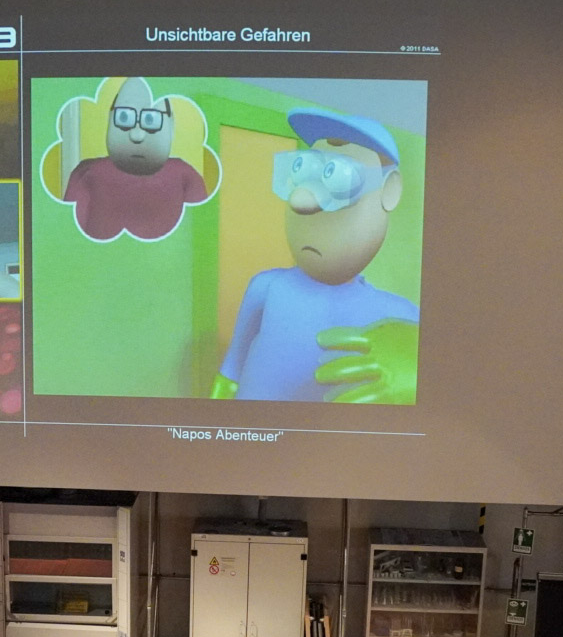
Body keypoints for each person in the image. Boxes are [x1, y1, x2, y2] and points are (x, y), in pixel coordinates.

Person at [213, 107, 420, 404]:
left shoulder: (403, 319)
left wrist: (414, 381)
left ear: (389, 191)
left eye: (339, 178)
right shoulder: (266, 287)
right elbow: (231, 371)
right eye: (302, 171)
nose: (304, 201)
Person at [63, 77, 208, 241]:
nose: (137, 135)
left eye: (150, 120)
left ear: (171, 125)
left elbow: (203, 241)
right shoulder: (86, 174)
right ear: (110, 119)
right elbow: (67, 240)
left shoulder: (186, 178)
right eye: (124, 117)